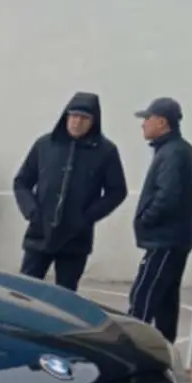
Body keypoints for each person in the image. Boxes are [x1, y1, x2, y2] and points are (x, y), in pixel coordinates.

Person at [12, 92, 128, 290]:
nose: (77, 122)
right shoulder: (44, 145)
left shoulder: (106, 151)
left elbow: (117, 191)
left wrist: (87, 217)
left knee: (66, 293)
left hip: (75, 238)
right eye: (73, 116)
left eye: (84, 118)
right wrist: (32, 212)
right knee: (25, 290)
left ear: (93, 121)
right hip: (40, 233)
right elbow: (22, 182)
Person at [129, 97, 192, 342]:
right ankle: (164, 349)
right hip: (173, 238)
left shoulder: (173, 153)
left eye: (147, 119)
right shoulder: (175, 150)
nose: (143, 124)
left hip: (165, 240)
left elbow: (167, 196)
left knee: (143, 297)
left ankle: (133, 349)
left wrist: (146, 219)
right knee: (165, 301)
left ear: (162, 122)